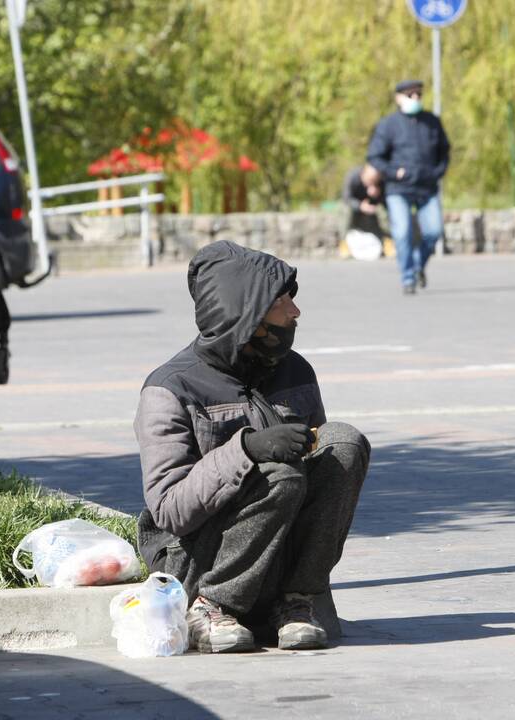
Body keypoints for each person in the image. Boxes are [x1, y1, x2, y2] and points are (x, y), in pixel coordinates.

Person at [134, 241, 371, 653]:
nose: (295, 313)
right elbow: (169, 509)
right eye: (283, 302)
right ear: (247, 315)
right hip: (198, 561)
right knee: (279, 475)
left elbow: (320, 475)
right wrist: (246, 450)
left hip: (276, 552)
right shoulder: (170, 388)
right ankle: (210, 607)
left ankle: (296, 602)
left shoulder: (295, 370)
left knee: (344, 444)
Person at [367, 79, 451, 295]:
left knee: (434, 231)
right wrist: (394, 172)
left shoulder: (432, 122)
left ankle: (417, 266)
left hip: (427, 188)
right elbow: (375, 156)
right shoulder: (389, 125)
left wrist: (437, 173)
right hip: (399, 189)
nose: (415, 98)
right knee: (402, 233)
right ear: (398, 98)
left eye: (418, 95)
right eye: (410, 95)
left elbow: (444, 151)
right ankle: (408, 277)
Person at [341, 163, 386, 239]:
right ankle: (344, 239)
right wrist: (360, 206)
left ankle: (387, 238)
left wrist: (378, 195)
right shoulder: (352, 176)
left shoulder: (380, 180)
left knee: (383, 210)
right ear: (363, 174)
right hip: (355, 204)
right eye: (370, 181)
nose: (372, 183)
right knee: (346, 210)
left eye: (375, 181)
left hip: (372, 205)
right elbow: (346, 198)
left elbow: (385, 199)